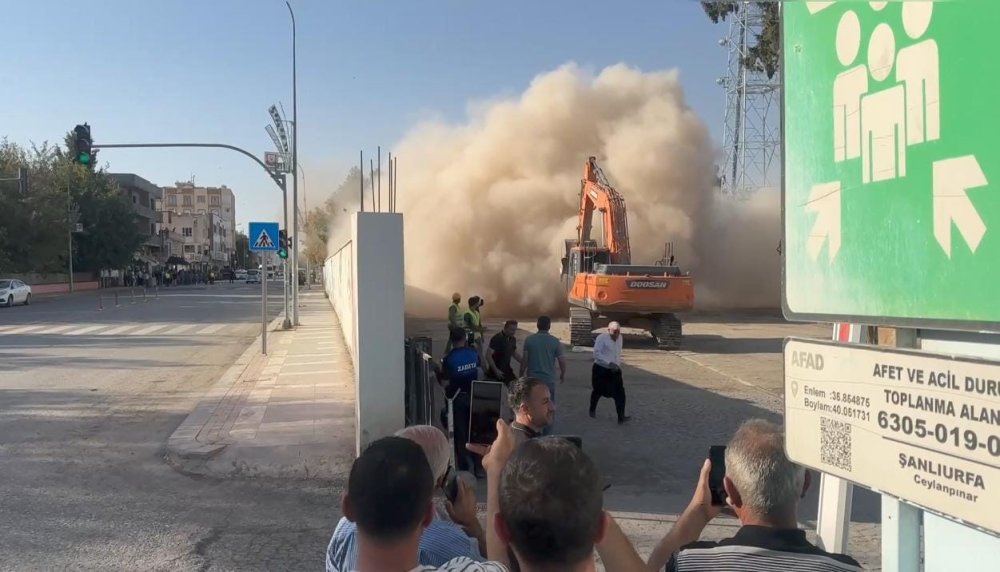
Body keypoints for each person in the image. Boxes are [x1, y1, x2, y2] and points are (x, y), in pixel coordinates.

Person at [646, 419, 864, 571]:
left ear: (729, 490)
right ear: (806, 483)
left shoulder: (691, 563)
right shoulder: (845, 569)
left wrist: (700, 511)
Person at [467, 421, 647, 571]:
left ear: (501, 529)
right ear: (601, 528)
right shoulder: (600, 526)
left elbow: (499, 564)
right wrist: (585, 504)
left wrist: (496, 470)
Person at [331, 436, 505, 572]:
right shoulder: (464, 567)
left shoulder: (341, 535)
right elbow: (502, 565)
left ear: (347, 507)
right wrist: (496, 471)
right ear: (428, 515)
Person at [435, 328, 482, 474]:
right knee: (474, 431)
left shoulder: (449, 359)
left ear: (451, 339)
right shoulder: (473, 354)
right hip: (473, 396)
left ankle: (464, 466)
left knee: (459, 432)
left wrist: (437, 370)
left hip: (456, 399)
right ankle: (478, 466)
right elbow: (482, 367)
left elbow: (444, 383)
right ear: (465, 338)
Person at [519, 316, 566, 436]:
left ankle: (531, 431)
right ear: (549, 326)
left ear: (537, 325)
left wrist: (521, 373)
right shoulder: (555, 341)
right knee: (549, 408)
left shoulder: (529, 340)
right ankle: (547, 435)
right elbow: (562, 360)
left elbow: (525, 360)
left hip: (532, 380)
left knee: (531, 406)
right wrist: (562, 374)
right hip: (548, 381)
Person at [590, 321, 630, 425]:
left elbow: (617, 354)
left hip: (614, 370)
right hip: (601, 369)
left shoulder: (620, 338)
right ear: (608, 330)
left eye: (618, 332)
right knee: (598, 391)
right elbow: (596, 354)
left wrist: (616, 365)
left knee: (620, 393)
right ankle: (592, 409)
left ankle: (621, 416)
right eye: (614, 332)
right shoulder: (601, 338)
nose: (616, 335)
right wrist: (609, 363)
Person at [506, 377, 554, 447]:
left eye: (550, 400)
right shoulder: (529, 449)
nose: (552, 407)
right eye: (545, 401)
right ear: (525, 409)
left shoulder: (509, 435)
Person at [486, 320, 521, 384]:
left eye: (515, 330)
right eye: (511, 329)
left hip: (507, 369)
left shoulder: (512, 339)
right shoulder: (497, 338)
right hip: (496, 370)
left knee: (517, 387)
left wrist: (523, 361)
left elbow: (513, 352)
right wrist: (496, 370)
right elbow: (488, 356)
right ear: (505, 328)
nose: (513, 332)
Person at [443, 292, 464, 357]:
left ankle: (446, 353)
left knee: (451, 340)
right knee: (455, 340)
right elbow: (451, 316)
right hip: (455, 327)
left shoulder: (456, 306)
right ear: (458, 299)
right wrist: (455, 325)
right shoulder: (453, 306)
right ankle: (447, 354)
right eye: (459, 298)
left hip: (457, 326)